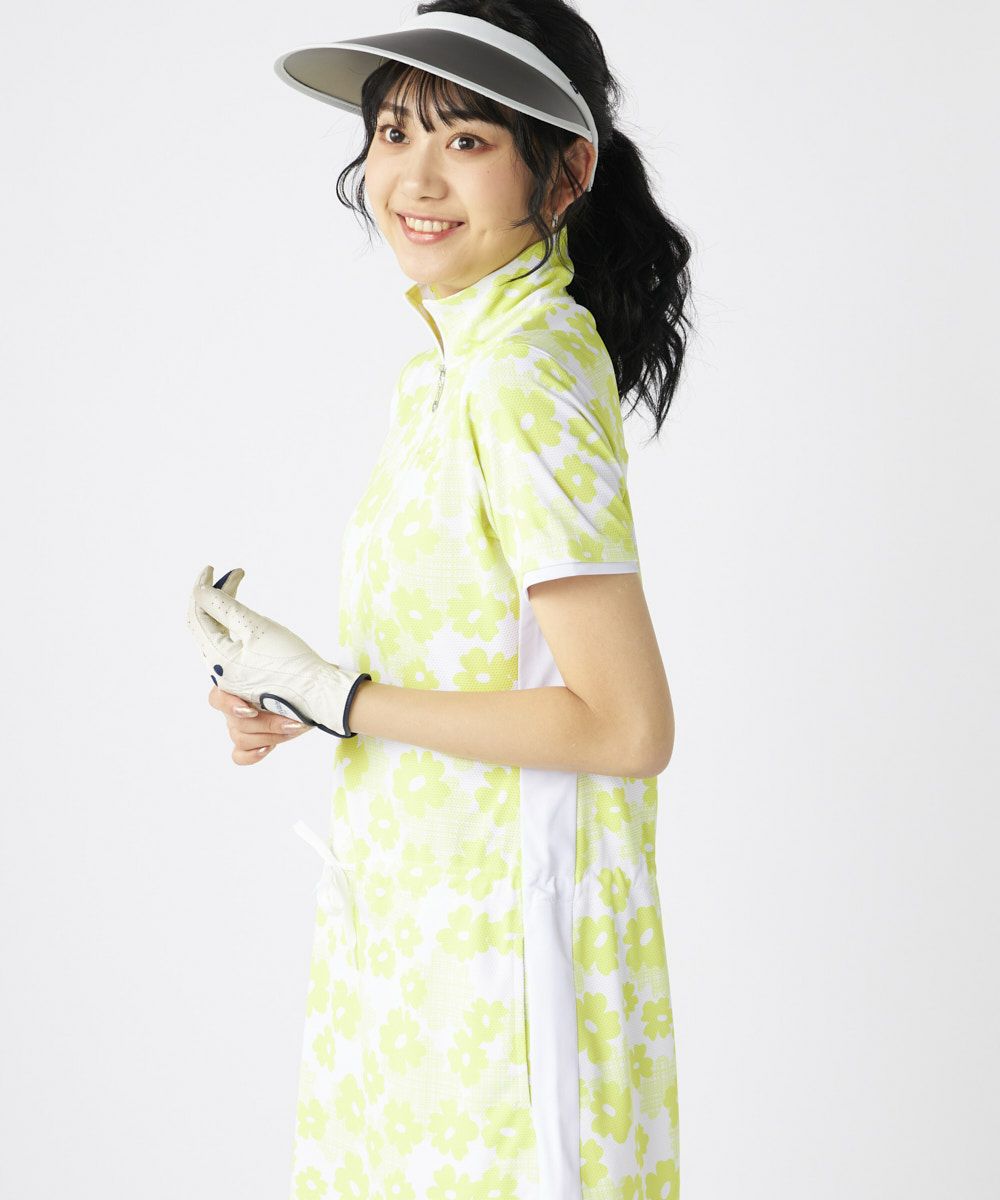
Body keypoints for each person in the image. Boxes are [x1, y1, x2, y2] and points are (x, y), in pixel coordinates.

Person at [188, 3, 694, 1197]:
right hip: (419, 953)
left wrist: (343, 697)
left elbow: (625, 726)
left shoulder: (523, 369)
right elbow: (482, 666)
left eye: (467, 139)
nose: (414, 178)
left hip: (514, 972)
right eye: (394, 132)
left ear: (563, 173)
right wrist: (297, 694)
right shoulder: (450, 369)